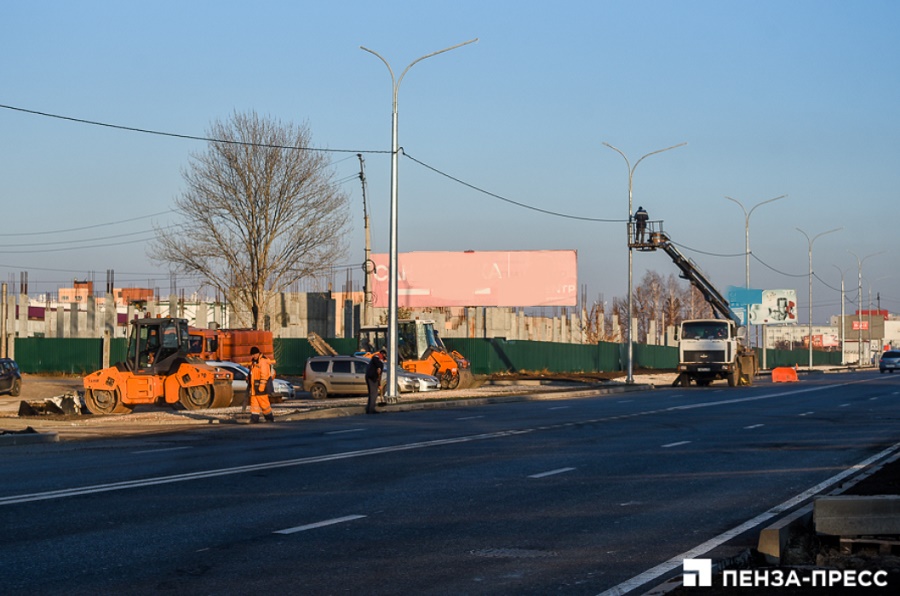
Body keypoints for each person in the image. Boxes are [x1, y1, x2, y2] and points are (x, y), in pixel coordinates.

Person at [247, 346, 275, 423]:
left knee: (264, 404)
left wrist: (262, 387)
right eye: (252, 355)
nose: (253, 356)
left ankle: (269, 418)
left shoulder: (263, 362)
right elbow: (253, 374)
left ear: (258, 353)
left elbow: (264, 375)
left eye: (254, 354)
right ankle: (254, 419)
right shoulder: (254, 362)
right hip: (254, 387)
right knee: (254, 405)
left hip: (260, 386)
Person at [365, 348, 386, 415]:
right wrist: (379, 367)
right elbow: (376, 362)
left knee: (372, 394)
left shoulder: (376, 360)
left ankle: (369, 408)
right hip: (372, 378)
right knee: (373, 394)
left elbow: (379, 374)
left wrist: (379, 384)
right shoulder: (376, 359)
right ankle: (371, 409)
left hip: (371, 378)